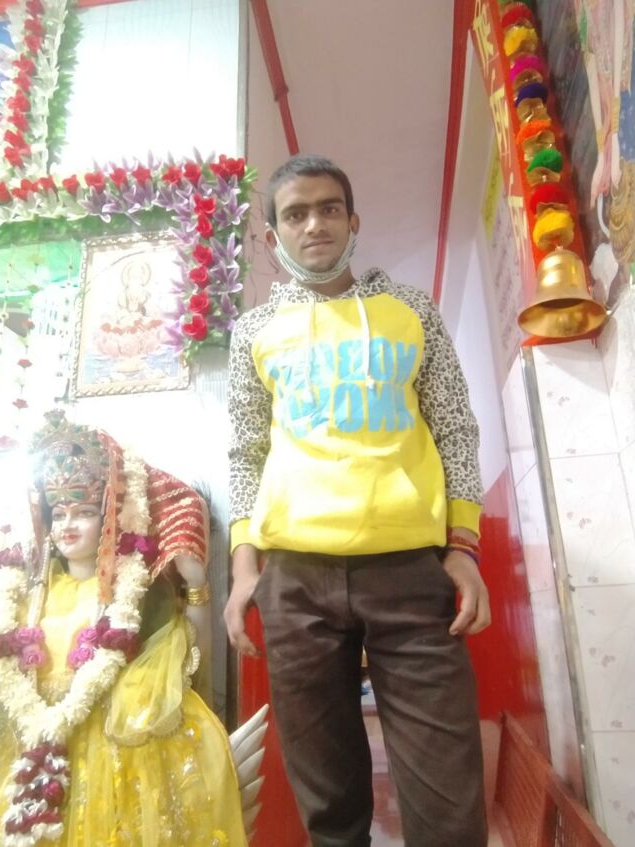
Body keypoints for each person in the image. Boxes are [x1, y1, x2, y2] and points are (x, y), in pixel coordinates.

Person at [224, 154, 491, 847]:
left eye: (329, 208)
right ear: (272, 236)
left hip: (411, 573)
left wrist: (463, 549)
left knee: (448, 803)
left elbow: (456, 429)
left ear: (353, 221)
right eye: (295, 213)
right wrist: (244, 568)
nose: (314, 224)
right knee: (330, 807)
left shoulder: (412, 312)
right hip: (295, 580)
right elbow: (245, 451)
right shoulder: (252, 332)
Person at [0, 409, 257, 847]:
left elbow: (192, 665)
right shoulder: (26, 592)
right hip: (28, 750)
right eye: (59, 514)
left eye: (83, 512)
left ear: (108, 518)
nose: (67, 525)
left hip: (112, 761)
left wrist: (196, 584)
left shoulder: (135, 594)